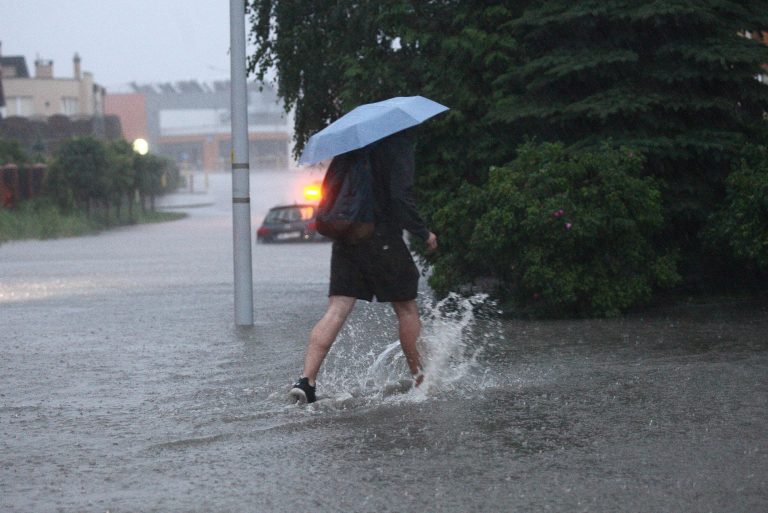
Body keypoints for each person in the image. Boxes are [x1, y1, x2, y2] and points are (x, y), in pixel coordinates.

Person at [289, 130, 438, 403]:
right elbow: (400, 197)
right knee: (406, 308)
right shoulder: (397, 144)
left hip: (347, 238)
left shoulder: (349, 150)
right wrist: (423, 232)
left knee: (337, 309)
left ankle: (306, 382)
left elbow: (329, 194)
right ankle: (422, 381)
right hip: (381, 237)